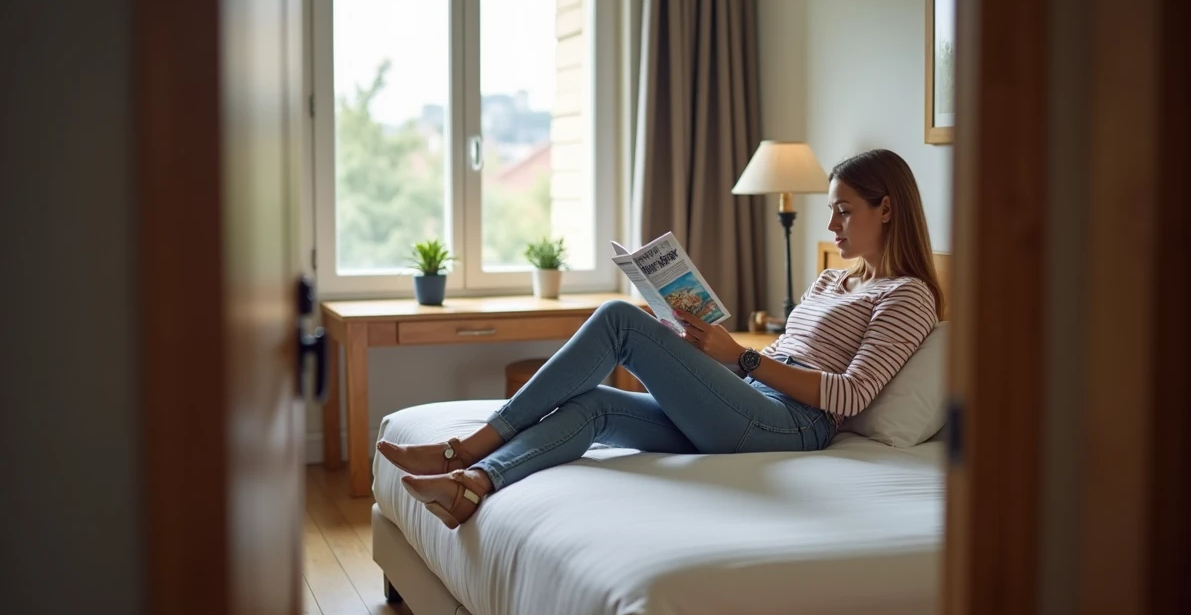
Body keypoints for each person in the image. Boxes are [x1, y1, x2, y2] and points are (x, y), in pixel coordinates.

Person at [378, 148, 945, 529]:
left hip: (798, 425)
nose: (832, 227)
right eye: (831, 212)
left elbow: (849, 395)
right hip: (754, 404)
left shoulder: (907, 296)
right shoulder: (830, 278)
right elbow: (782, 356)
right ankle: (472, 484)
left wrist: (742, 358)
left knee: (618, 320)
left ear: (887, 208)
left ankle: (471, 443)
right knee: (593, 406)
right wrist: (709, 351)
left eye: (845, 212)